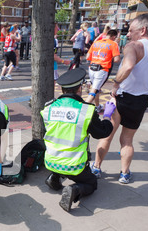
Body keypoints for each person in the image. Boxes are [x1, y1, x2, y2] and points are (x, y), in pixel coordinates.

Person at [91, 14, 148, 184]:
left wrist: (116, 84)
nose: (128, 34)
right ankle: (124, 174)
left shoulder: (134, 46)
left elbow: (128, 65)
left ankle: (96, 168)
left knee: (107, 135)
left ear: (143, 30)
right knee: (127, 140)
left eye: (131, 30)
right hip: (141, 100)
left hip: (122, 98)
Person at [41, 68, 114, 213]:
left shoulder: (48, 108)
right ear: (80, 89)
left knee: (61, 160)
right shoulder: (86, 111)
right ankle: (74, 189)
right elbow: (102, 132)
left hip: (50, 161)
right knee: (91, 183)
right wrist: (107, 116)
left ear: (62, 89)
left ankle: (54, 178)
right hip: (74, 165)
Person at [85, 29, 121, 110]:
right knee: (93, 91)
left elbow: (87, 57)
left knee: (96, 88)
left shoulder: (96, 42)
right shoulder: (113, 44)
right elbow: (117, 59)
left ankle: (97, 106)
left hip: (92, 68)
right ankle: (83, 110)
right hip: (102, 69)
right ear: (114, 37)